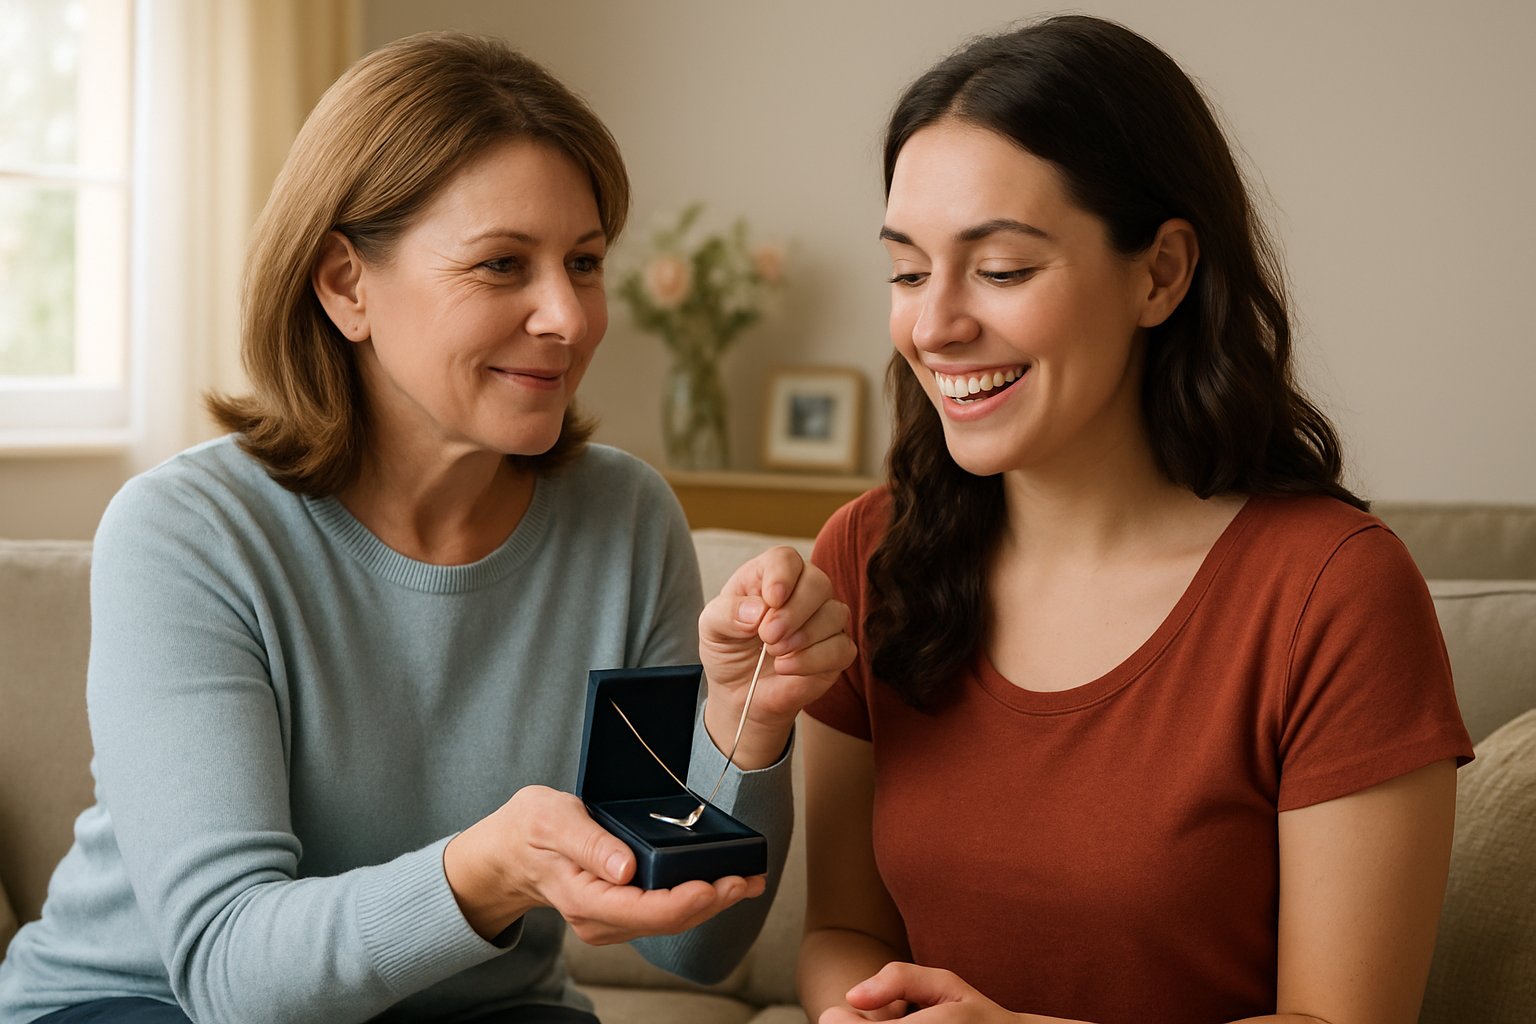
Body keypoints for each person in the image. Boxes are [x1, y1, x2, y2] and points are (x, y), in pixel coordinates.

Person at [0, 31, 853, 1024]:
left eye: (584, 263)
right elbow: (231, 973)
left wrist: (746, 726)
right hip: (150, 1004)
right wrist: (485, 871)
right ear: (344, 284)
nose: (568, 318)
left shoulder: (625, 519)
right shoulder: (189, 532)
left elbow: (692, 945)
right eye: (502, 265)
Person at [798, 15, 1472, 1024]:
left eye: (1003, 268)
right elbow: (841, 933)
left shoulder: (1335, 592)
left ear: (1160, 272)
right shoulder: (866, 554)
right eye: (906, 269)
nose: (933, 325)